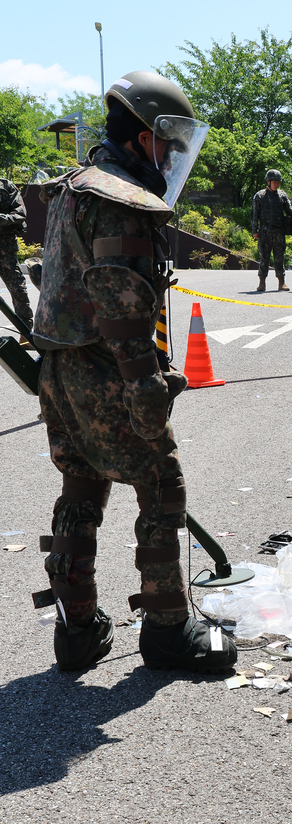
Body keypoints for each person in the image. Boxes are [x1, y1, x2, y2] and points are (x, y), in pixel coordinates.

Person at [30, 69, 237, 673]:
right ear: (144, 137)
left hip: (60, 368)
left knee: (81, 487)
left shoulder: (75, 186)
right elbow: (120, 300)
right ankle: (168, 632)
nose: (172, 157)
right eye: (168, 145)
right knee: (160, 484)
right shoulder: (122, 201)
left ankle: (76, 633)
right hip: (106, 368)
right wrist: (145, 384)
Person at [251, 169, 292, 292]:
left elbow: (290, 212)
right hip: (264, 231)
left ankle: (281, 283)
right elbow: (254, 214)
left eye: (278, 182)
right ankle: (262, 283)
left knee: (279, 258)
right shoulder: (260, 196)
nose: (276, 184)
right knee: (264, 258)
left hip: (279, 232)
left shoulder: (282, 195)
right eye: (274, 182)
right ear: (268, 182)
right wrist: (254, 230)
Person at [0, 177, 34, 341]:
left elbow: (20, 214)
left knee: (19, 292)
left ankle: (26, 336)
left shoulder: (6, 186)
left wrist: (2, 219)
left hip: (6, 251)